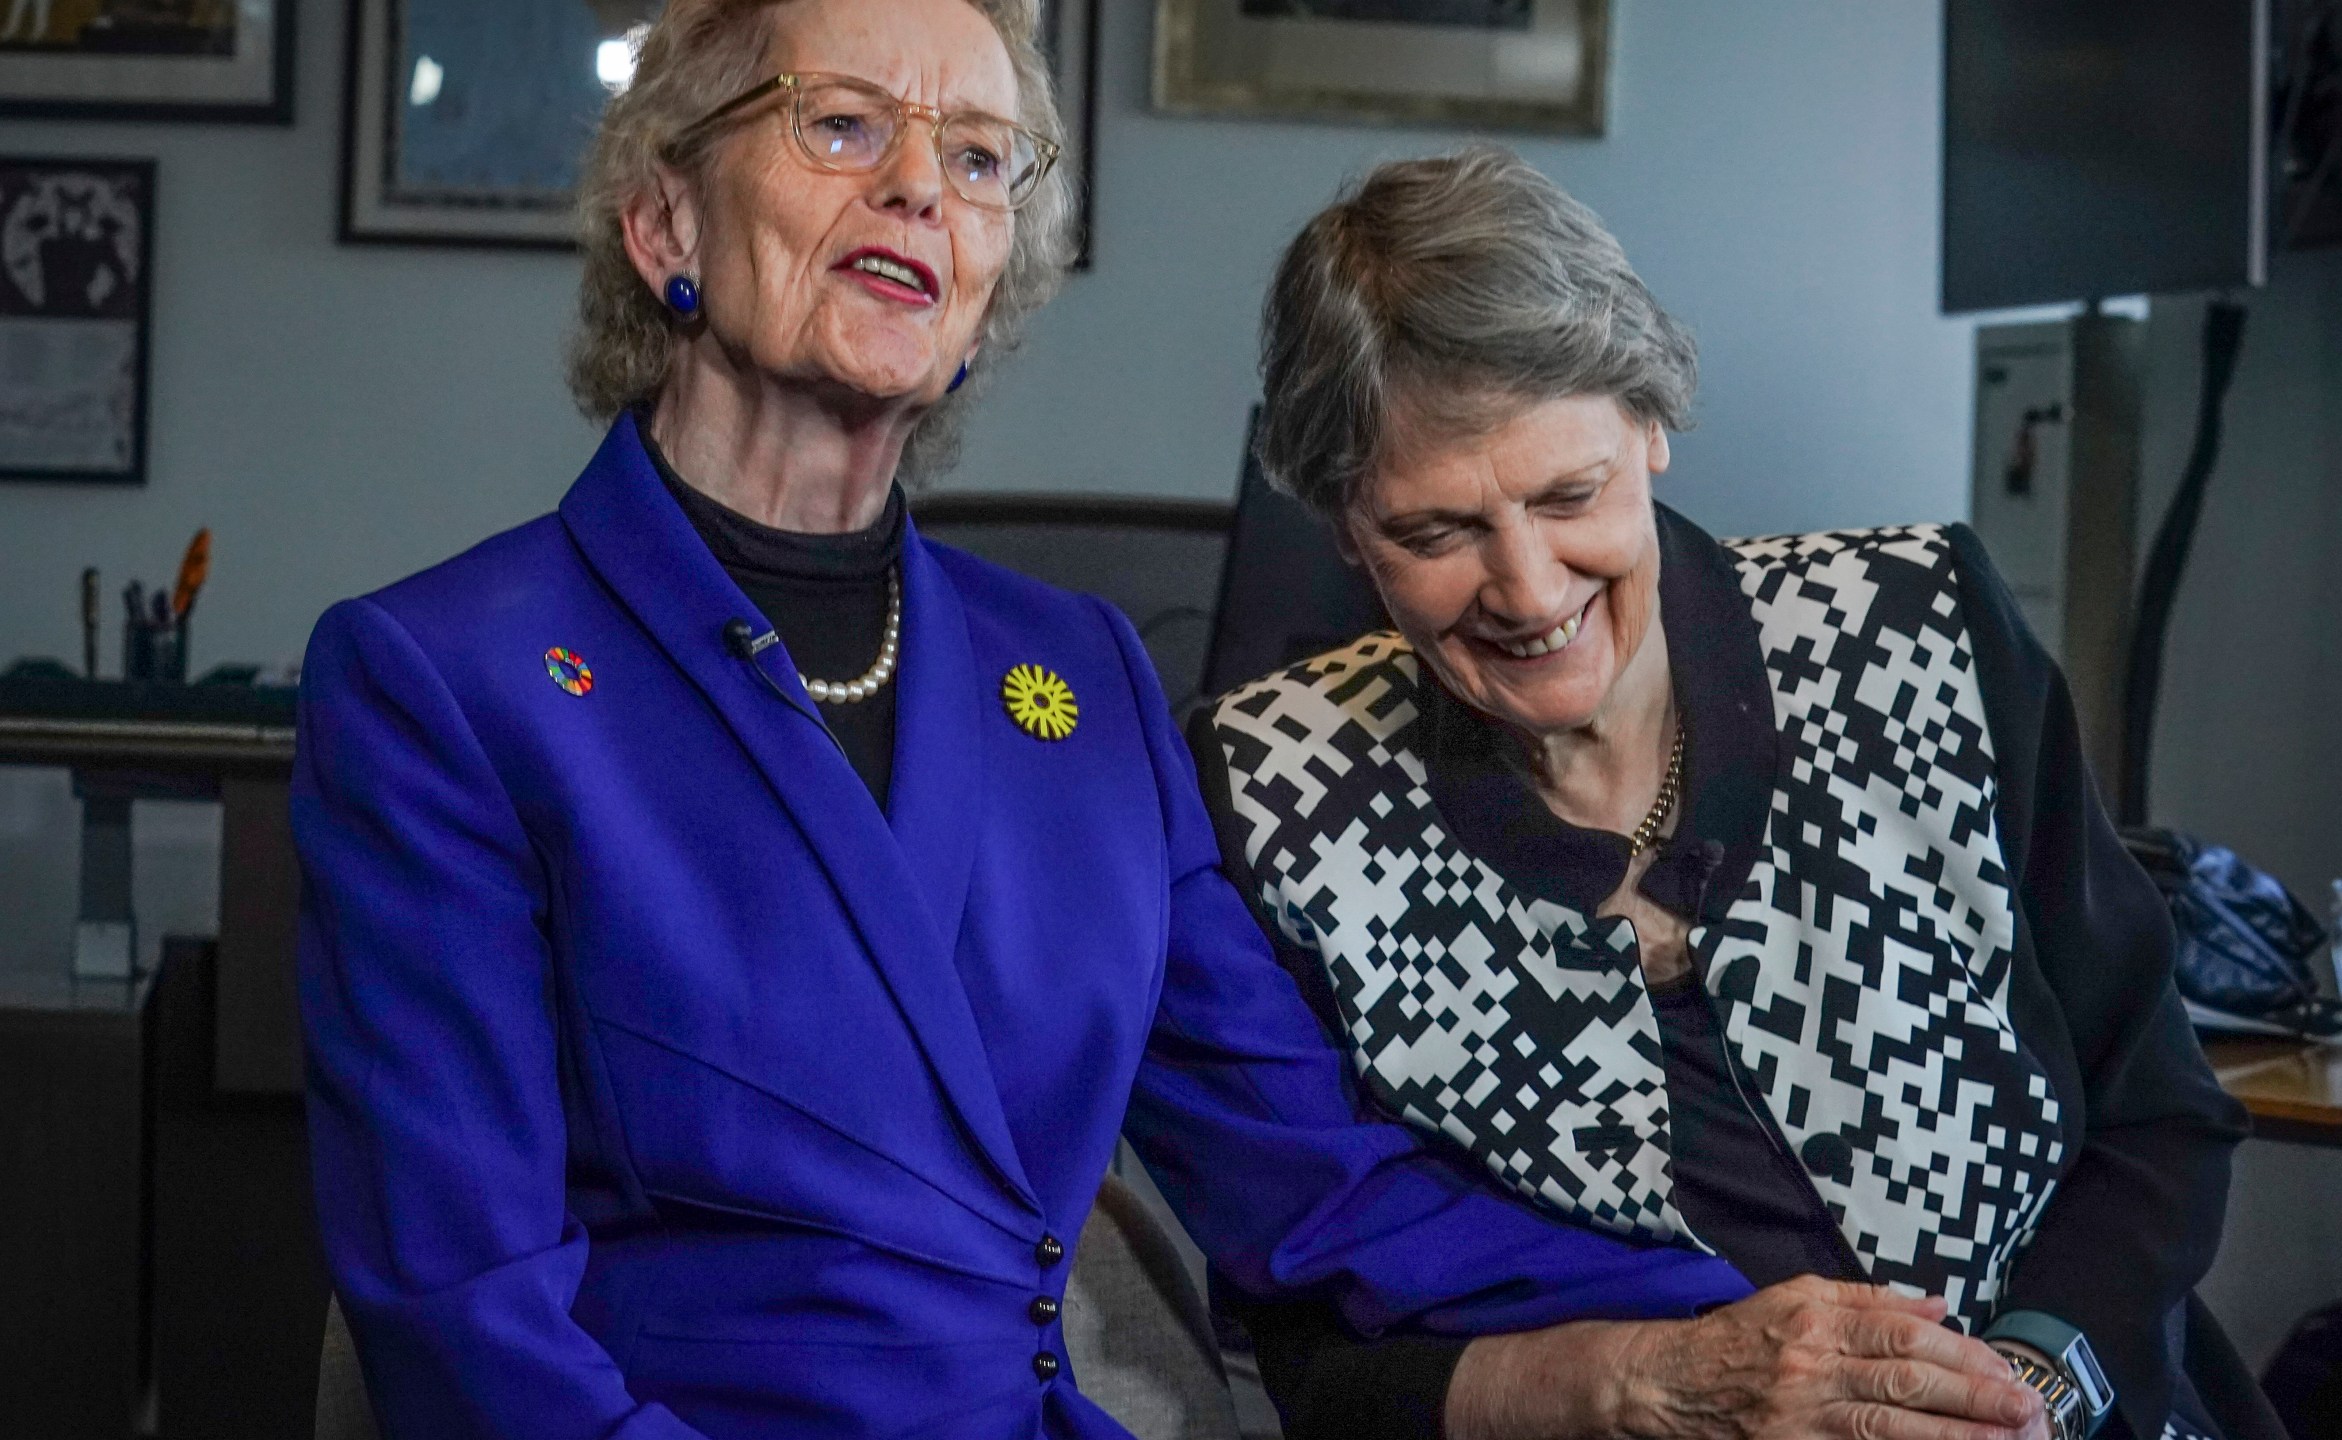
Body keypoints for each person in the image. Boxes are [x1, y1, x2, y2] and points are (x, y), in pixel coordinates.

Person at [291, 8, 1784, 1438]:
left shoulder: (1081, 672)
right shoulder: (442, 681)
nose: (917, 187)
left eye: (979, 158)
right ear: (666, 220)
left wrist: (1755, 1327)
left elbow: (1318, 1183)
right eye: (844, 123)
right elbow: (463, 1319)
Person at [1191, 148, 2280, 1440]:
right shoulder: (1275, 803)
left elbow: (2160, 1119)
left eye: (1568, 494)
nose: (1530, 592)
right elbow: (1312, 1351)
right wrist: (1639, 1389)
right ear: (1344, 527)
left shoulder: (1912, 631)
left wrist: (2028, 1393)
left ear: (1649, 423)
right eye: (1435, 534)